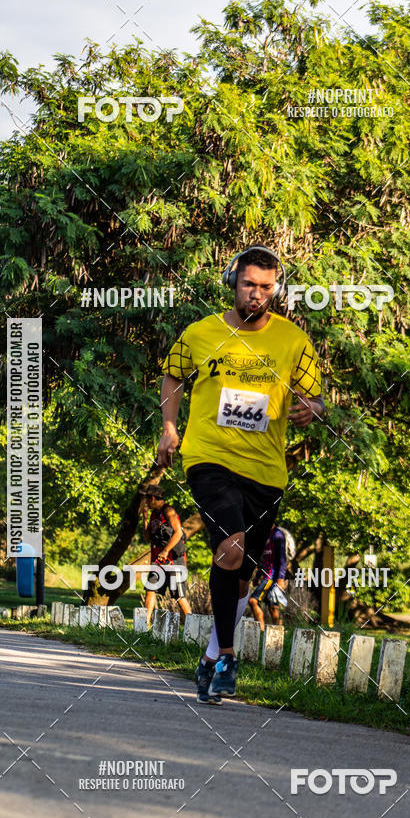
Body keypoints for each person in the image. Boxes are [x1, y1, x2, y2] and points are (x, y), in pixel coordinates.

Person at [156, 245, 324, 703]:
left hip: (266, 469)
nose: (256, 294)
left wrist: (313, 408)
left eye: (266, 287)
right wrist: (170, 428)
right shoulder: (201, 332)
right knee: (231, 548)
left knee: (245, 570)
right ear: (233, 281)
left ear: (277, 290)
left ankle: (210, 657)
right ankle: (229, 655)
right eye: (249, 284)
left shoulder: (293, 341)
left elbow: (314, 398)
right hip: (208, 456)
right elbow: (173, 377)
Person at [141, 484, 191, 624]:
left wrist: (165, 550)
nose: (145, 502)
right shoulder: (154, 514)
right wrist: (145, 519)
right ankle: (144, 625)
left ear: (152, 498)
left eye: (146, 499)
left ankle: (194, 628)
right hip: (159, 562)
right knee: (150, 590)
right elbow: (148, 538)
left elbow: (178, 532)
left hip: (174, 561)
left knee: (179, 596)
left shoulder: (168, 511)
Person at [249, 522, 289, 629]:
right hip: (266, 575)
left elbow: (282, 559)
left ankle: (261, 629)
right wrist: (257, 575)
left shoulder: (277, 535)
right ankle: (278, 631)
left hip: (271, 577)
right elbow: (265, 560)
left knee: (253, 601)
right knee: (273, 606)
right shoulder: (266, 535)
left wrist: (281, 578)